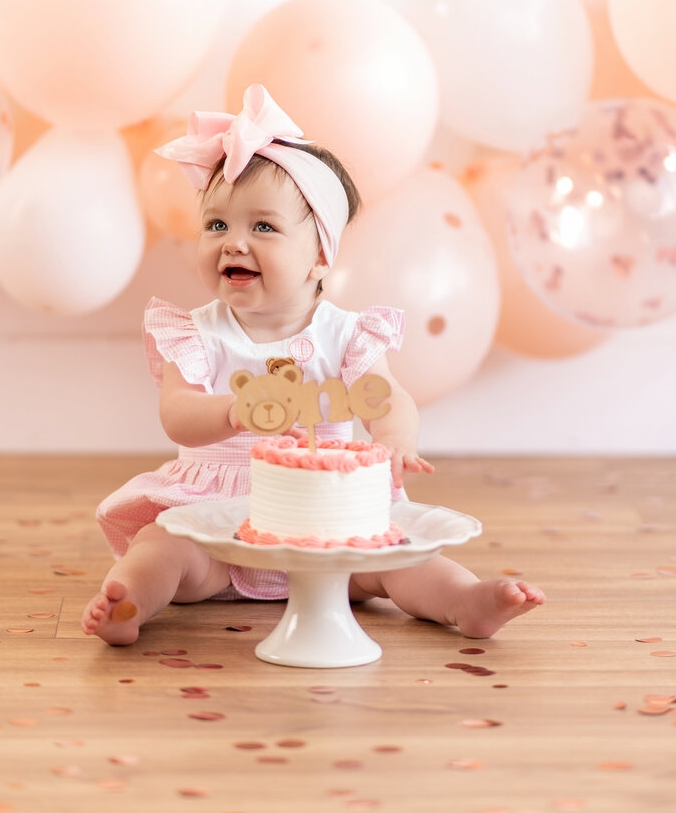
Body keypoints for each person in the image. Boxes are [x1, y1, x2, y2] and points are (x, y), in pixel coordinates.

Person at [82, 85, 544, 646]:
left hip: (329, 523)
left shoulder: (345, 334)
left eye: (264, 227)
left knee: (398, 560)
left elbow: (387, 396)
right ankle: (129, 602)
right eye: (217, 226)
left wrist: (394, 439)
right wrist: (233, 411)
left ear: (321, 257)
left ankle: (464, 601)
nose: (233, 244)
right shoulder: (197, 332)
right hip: (218, 521)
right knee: (161, 547)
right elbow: (177, 416)